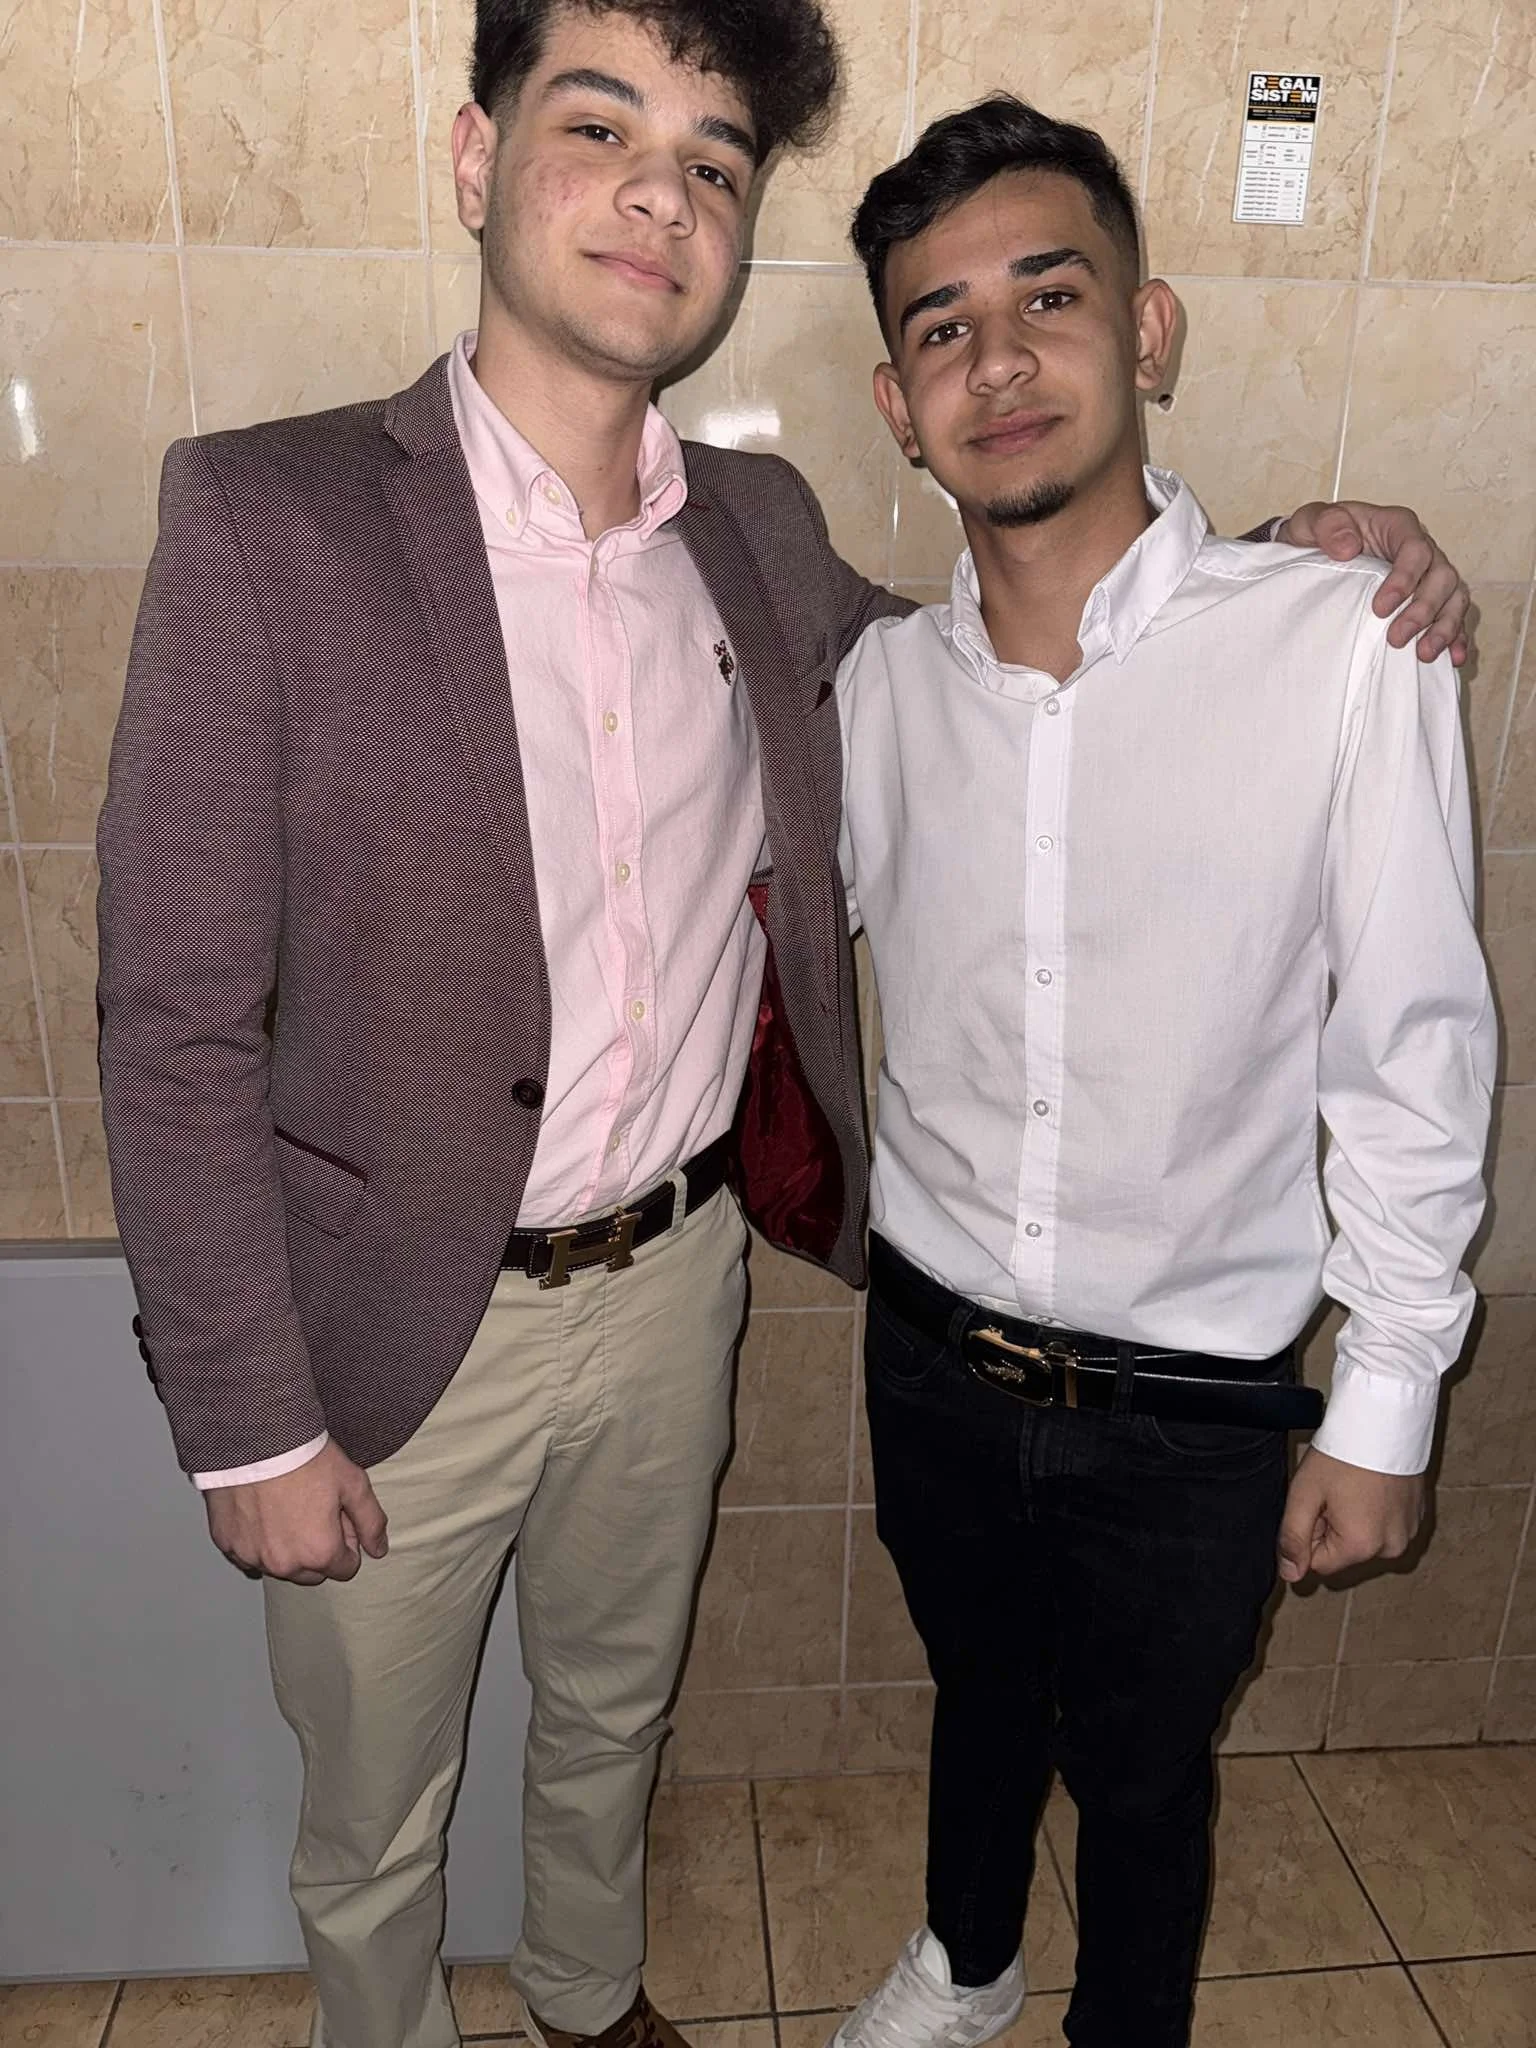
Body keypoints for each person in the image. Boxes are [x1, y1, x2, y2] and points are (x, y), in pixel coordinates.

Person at [95, 1, 1470, 2041]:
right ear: (478, 166)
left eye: (717, 162)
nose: (662, 192)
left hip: (673, 1284)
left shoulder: (765, 548)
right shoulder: (265, 520)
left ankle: (583, 1999)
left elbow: (1058, 661)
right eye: (601, 127)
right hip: (391, 1321)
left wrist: (1307, 556)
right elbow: (172, 1014)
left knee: (611, 1713)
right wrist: (248, 1415)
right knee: (376, 1807)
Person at [832, 97, 1494, 2048]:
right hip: (933, 1347)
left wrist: (1386, 1393)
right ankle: (964, 1961)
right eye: (941, 325)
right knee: (974, 1686)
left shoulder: (1343, 647)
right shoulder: (874, 696)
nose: (1000, 358)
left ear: (1151, 330)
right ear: (894, 400)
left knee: (1143, 1773)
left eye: (1051, 294)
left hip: (1195, 1396)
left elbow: (1416, 1038)